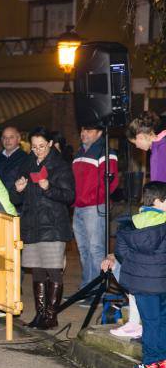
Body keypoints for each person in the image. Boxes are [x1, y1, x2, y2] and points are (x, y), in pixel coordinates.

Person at [11, 128, 75, 330]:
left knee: (53, 270)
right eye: (34, 146)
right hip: (32, 224)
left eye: (42, 146)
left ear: (49, 144)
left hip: (53, 226)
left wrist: (49, 188)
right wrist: (18, 190)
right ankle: (40, 314)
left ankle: (51, 316)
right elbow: (17, 198)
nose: (38, 150)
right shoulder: (27, 163)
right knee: (37, 271)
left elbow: (69, 196)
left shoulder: (60, 166)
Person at [104, 181, 166, 368]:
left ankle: (150, 362)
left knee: (150, 322)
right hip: (162, 280)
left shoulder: (128, 223)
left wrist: (136, 262)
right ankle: (161, 360)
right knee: (162, 320)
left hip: (140, 282)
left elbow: (120, 253)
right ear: (157, 201)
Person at [72, 122, 118, 296]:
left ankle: (96, 291)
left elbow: (111, 183)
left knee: (96, 249)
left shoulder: (106, 152)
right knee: (83, 249)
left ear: (100, 133)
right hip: (79, 206)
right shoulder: (79, 153)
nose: (84, 132)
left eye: (88, 129)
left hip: (94, 207)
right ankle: (87, 288)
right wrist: (76, 200)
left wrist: (93, 199)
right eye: (82, 129)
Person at [127, 112, 166, 181]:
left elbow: (159, 186)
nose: (136, 146)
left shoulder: (160, 150)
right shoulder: (159, 145)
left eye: (135, 143)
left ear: (140, 137)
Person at [0, 126, 27, 198]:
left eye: (11, 137)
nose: (7, 140)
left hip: (16, 202)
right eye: (4, 137)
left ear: (18, 139)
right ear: (1, 139)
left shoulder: (25, 158)